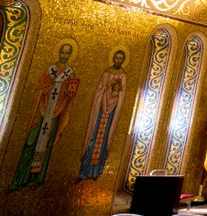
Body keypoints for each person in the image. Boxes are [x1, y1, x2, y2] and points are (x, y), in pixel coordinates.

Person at [11, 43, 78, 190]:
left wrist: (68, 94)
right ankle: (21, 178)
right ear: (59, 52)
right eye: (63, 52)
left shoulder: (70, 73)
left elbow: (70, 95)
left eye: (67, 53)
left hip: (56, 114)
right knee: (31, 142)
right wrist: (45, 90)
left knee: (47, 145)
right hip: (42, 111)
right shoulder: (49, 70)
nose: (64, 55)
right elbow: (39, 89)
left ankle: (37, 179)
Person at [78, 49, 127, 180]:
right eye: (116, 58)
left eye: (120, 59)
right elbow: (100, 89)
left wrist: (116, 95)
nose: (118, 60)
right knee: (94, 137)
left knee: (104, 138)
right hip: (101, 108)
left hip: (112, 111)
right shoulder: (107, 72)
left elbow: (122, 93)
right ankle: (85, 170)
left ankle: (97, 170)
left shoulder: (123, 75)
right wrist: (107, 87)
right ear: (113, 59)